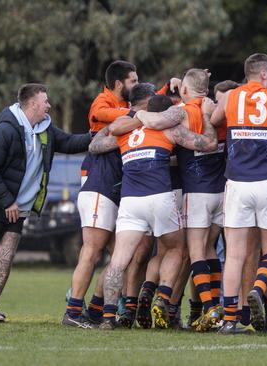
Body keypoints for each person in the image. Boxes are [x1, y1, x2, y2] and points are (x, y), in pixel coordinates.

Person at [0, 84, 92, 322]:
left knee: (6, 258)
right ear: (32, 104)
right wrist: (7, 201)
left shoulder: (45, 129)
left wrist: (98, 134)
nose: (49, 105)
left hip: (17, 210)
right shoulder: (6, 129)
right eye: (46, 101)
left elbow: (71, 143)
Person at [89, 94, 219, 330]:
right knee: (177, 247)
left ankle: (108, 317)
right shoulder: (169, 130)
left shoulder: (125, 134)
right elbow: (208, 143)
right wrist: (208, 118)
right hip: (159, 197)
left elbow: (95, 146)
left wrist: (118, 125)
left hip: (130, 201)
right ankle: (163, 295)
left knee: (118, 261)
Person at [62, 82, 156, 328]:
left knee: (119, 259)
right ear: (145, 103)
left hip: (114, 195)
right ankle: (73, 311)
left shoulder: (139, 121)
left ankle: (95, 308)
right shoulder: (125, 121)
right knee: (91, 251)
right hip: (99, 191)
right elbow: (97, 141)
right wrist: (135, 122)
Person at [209, 53, 267, 334]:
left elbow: (214, 119)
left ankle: (230, 319)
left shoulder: (230, 97)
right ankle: (258, 288)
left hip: (238, 182)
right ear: (264, 74)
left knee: (234, 255)